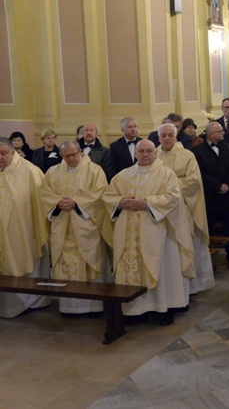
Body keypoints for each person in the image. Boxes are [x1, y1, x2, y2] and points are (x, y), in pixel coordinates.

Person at [103, 140, 194, 325]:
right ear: (135, 154)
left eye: (149, 151)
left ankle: (162, 308)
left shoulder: (167, 175)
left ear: (155, 153)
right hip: (128, 233)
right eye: (141, 151)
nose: (145, 154)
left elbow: (173, 197)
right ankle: (134, 310)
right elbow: (108, 195)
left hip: (158, 231)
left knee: (160, 269)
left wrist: (147, 204)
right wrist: (120, 202)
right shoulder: (123, 175)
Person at [40, 140, 113, 314]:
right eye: (67, 156)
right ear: (61, 156)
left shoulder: (95, 170)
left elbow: (101, 194)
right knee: (64, 265)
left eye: (74, 154)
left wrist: (77, 203)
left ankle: (92, 307)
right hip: (62, 226)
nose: (72, 158)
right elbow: (44, 194)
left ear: (80, 151)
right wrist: (58, 203)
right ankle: (68, 308)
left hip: (86, 225)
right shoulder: (52, 172)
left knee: (88, 263)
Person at [157, 124, 214, 294]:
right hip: (160, 210)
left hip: (184, 208)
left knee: (188, 244)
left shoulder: (187, 155)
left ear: (176, 137)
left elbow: (194, 181)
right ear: (159, 138)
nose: (167, 138)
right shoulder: (153, 156)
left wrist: (170, 186)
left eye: (170, 135)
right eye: (163, 135)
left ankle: (194, 285)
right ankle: (170, 286)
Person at [0, 137, 51, 318]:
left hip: (23, 231)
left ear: (13, 153)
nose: (0, 157)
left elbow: (41, 205)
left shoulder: (30, 172)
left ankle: (31, 302)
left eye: (3, 153)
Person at [192, 122, 229, 271]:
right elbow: (200, 173)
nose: (223, 133)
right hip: (210, 197)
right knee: (209, 230)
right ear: (212, 134)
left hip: (227, 197)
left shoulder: (227, 147)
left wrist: (227, 185)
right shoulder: (198, 151)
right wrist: (217, 186)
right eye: (220, 131)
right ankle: (209, 261)